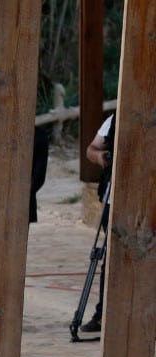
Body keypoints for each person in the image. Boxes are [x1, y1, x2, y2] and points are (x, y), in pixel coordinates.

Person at [80, 112, 115, 333]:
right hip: (116, 200)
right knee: (112, 258)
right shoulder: (116, 118)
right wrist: (105, 158)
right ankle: (103, 315)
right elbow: (91, 150)